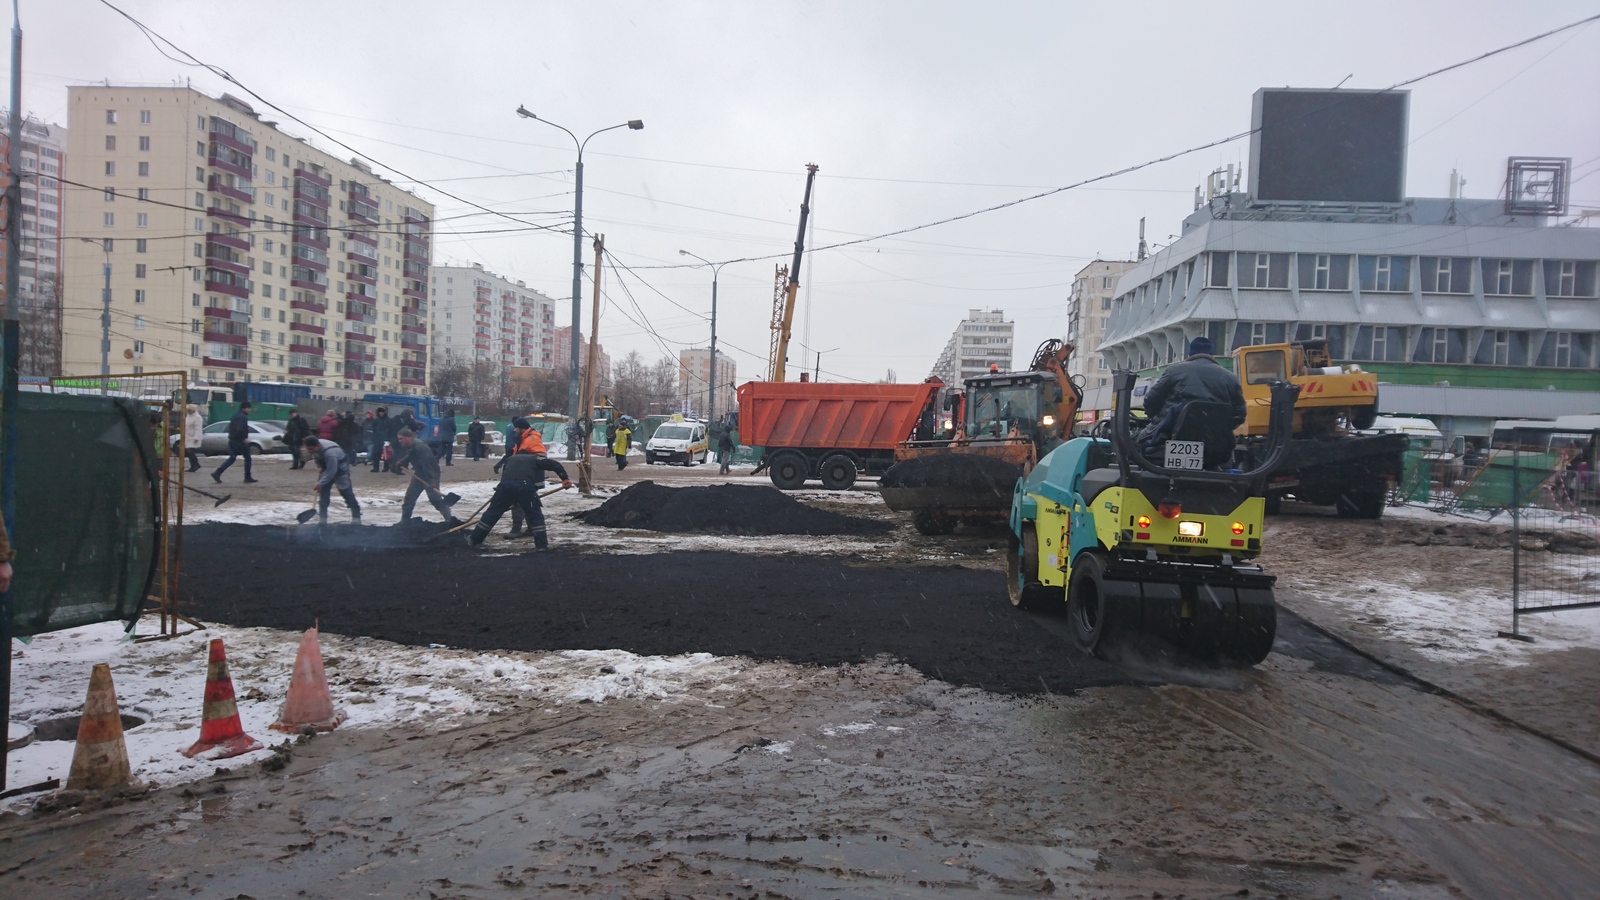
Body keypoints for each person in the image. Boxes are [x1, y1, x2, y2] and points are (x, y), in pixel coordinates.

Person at [1140, 336, 1247, 437]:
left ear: (1189, 356)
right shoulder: (1230, 377)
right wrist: (1222, 428)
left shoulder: (1174, 371)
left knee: (1136, 441)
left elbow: (1151, 400)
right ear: (1212, 356)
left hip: (1170, 434)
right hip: (1216, 440)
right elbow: (1240, 413)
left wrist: (1155, 417)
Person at [472, 443, 570, 549]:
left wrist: (501, 494)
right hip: (525, 487)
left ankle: (475, 540)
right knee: (535, 515)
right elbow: (554, 465)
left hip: (505, 487)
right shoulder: (534, 458)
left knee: (491, 514)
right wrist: (565, 478)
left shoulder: (510, 459)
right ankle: (541, 545)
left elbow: (505, 476)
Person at [495, 417, 548, 536]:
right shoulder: (522, 440)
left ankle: (516, 529)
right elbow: (513, 455)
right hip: (522, 476)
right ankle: (531, 528)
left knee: (517, 501)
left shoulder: (532, 439)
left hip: (528, 477)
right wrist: (502, 463)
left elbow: (541, 457)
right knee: (528, 502)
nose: (514, 430)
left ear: (521, 428)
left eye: (516, 428)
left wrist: (527, 464)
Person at [393, 427, 457, 523]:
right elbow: (410, 455)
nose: (399, 441)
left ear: (408, 437)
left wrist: (431, 481)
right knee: (409, 498)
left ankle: (449, 519)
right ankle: (404, 522)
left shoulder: (420, 447)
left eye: (401, 439)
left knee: (435, 499)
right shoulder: (412, 446)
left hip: (431, 473)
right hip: (420, 473)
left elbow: (427, 466)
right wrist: (401, 462)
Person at [305, 436, 360, 524]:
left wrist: (321, 483)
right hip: (327, 467)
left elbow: (332, 471)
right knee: (323, 493)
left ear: (318, 446)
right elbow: (322, 464)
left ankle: (356, 517)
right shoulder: (315, 447)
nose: (310, 451)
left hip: (340, 468)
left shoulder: (330, 453)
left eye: (311, 449)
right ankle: (323, 519)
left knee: (345, 491)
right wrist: (321, 471)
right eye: (308, 449)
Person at [212, 402, 258, 484]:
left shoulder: (235, 416)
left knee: (232, 458)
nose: (250, 410)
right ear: (244, 408)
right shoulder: (242, 417)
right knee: (247, 458)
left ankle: (217, 472)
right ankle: (247, 476)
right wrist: (243, 438)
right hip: (239, 441)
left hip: (232, 440)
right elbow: (239, 428)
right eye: (249, 408)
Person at [183, 404, 205, 473]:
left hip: (193, 437)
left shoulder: (197, 417)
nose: (188, 411)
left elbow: (198, 428)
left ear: (193, 410)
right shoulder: (188, 417)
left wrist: (196, 437)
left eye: (189, 410)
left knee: (190, 451)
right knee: (189, 452)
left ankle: (195, 465)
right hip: (188, 437)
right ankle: (194, 465)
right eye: (187, 410)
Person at [370, 407, 392, 473]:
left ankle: (386, 468)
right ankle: (376, 468)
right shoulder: (376, 420)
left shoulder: (388, 420)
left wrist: (388, 438)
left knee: (386, 454)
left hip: (385, 440)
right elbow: (373, 429)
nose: (381, 413)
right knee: (376, 454)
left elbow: (390, 430)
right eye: (380, 412)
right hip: (377, 439)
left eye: (382, 412)